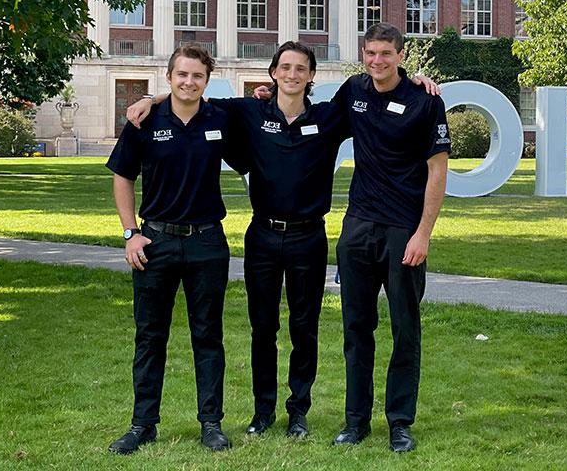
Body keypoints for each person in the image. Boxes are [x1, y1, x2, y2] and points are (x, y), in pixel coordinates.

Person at [125, 41, 439, 441]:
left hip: (309, 236)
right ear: (272, 73)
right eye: (285, 67)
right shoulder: (249, 112)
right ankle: (263, 410)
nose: (292, 74)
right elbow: (194, 96)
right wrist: (153, 97)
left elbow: (380, 94)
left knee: (304, 328)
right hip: (262, 236)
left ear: (311, 76)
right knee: (263, 327)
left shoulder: (330, 115)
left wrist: (414, 82)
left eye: (301, 68)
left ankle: (298, 412)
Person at [106, 44, 241, 454]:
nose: (189, 82)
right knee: (150, 336)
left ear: (206, 80)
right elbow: (122, 176)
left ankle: (211, 423)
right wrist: (131, 233)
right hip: (156, 242)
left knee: (208, 335)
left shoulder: (220, 118)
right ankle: (142, 424)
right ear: (169, 77)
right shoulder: (145, 120)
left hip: (207, 242)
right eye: (182, 75)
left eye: (197, 76)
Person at [330, 22, 450, 453]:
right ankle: (355, 421)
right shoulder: (354, 91)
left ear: (402, 55)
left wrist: (423, 234)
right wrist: (267, 97)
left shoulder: (425, 100)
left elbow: (438, 171)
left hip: (404, 230)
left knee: (405, 328)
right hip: (358, 227)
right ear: (363, 54)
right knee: (356, 328)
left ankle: (400, 422)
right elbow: (311, 117)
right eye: (370, 53)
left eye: (385, 54)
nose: (377, 61)